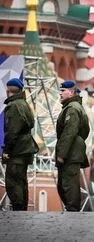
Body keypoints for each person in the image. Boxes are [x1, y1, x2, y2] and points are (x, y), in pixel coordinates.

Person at [1, 78, 38, 211]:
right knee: (21, 181)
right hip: (25, 148)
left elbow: (12, 132)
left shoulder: (13, 106)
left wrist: (7, 151)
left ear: (8, 90)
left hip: (17, 150)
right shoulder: (24, 104)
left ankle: (18, 210)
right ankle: (21, 210)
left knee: (13, 181)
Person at [56, 80, 90, 211]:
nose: (60, 93)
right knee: (65, 185)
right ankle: (72, 211)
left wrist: (62, 154)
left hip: (70, 153)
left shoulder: (72, 108)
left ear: (71, 92)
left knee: (69, 186)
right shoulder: (73, 107)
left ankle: (73, 214)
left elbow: (69, 132)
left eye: (63, 91)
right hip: (72, 151)